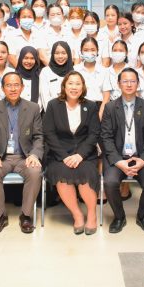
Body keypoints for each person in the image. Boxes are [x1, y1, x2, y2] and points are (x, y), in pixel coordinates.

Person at [0, 72, 44, 234]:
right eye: (8, 85)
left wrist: (34, 154)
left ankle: (26, 215)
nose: (13, 88)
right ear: (2, 88)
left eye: (16, 85)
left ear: (22, 87)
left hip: (25, 156)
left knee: (35, 171)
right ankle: (0, 216)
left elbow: (39, 136)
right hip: (2, 157)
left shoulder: (32, 108)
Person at [100, 68, 144, 234]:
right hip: (118, 157)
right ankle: (119, 217)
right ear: (118, 84)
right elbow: (106, 138)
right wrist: (118, 161)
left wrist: (143, 160)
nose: (129, 84)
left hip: (140, 156)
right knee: (110, 183)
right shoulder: (110, 107)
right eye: (125, 81)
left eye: (132, 81)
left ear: (138, 84)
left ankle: (142, 216)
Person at [43, 72, 101, 235]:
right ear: (64, 86)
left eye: (78, 84)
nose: (74, 87)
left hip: (85, 153)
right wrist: (64, 156)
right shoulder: (53, 105)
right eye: (71, 83)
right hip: (60, 154)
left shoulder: (90, 106)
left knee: (86, 174)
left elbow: (94, 134)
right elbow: (49, 133)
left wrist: (80, 155)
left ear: (82, 87)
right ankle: (77, 215)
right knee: (62, 175)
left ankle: (91, 215)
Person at [74, 37, 107, 113]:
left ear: (97, 51)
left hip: (99, 108)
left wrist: (100, 116)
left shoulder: (104, 71)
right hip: (79, 107)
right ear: (81, 52)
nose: (89, 53)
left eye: (93, 50)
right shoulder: (75, 70)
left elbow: (106, 97)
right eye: (86, 50)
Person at [39, 41, 74, 111]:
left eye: (63, 53)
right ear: (52, 54)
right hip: (52, 113)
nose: (60, 56)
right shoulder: (45, 71)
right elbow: (45, 97)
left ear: (68, 54)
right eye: (57, 53)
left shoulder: (74, 72)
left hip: (72, 112)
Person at [101, 40, 129, 108]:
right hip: (110, 106)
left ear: (126, 53)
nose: (117, 53)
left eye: (121, 50)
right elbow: (106, 97)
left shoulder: (131, 71)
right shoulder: (106, 71)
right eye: (115, 50)